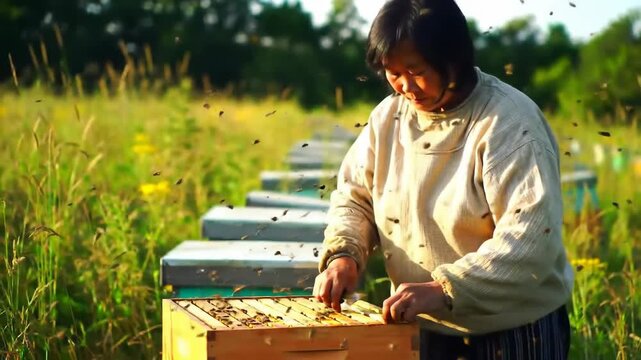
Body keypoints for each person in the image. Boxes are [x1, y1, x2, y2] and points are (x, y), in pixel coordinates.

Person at [312, 0, 574, 358]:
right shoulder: (388, 118)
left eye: (415, 70)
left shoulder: (509, 124)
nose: (405, 86)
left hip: (512, 330)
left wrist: (444, 287)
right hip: (423, 325)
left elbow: (531, 240)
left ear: (453, 59)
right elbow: (356, 197)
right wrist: (344, 254)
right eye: (393, 72)